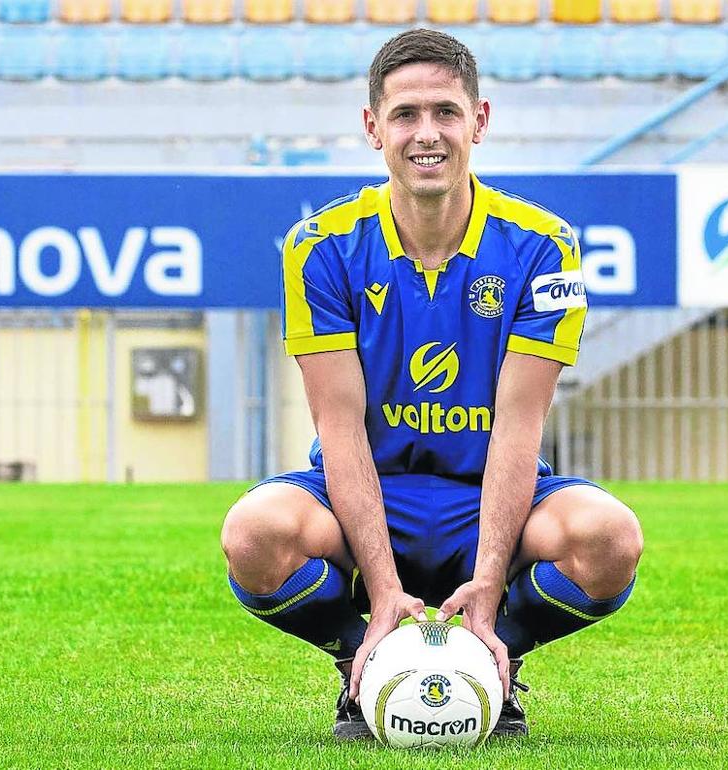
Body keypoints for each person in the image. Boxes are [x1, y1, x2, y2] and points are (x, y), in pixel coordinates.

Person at [220, 28, 643, 740]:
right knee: (254, 534)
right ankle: (367, 664)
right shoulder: (318, 249)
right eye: (406, 115)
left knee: (609, 540)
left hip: (488, 496)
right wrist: (382, 589)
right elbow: (340, 427)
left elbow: (518, 426)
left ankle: (489, 656)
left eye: (446, 112)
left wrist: (485, 583)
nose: (428, 134)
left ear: (479, 121)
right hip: (366, 494)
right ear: (371, 127)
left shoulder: (547, 247)